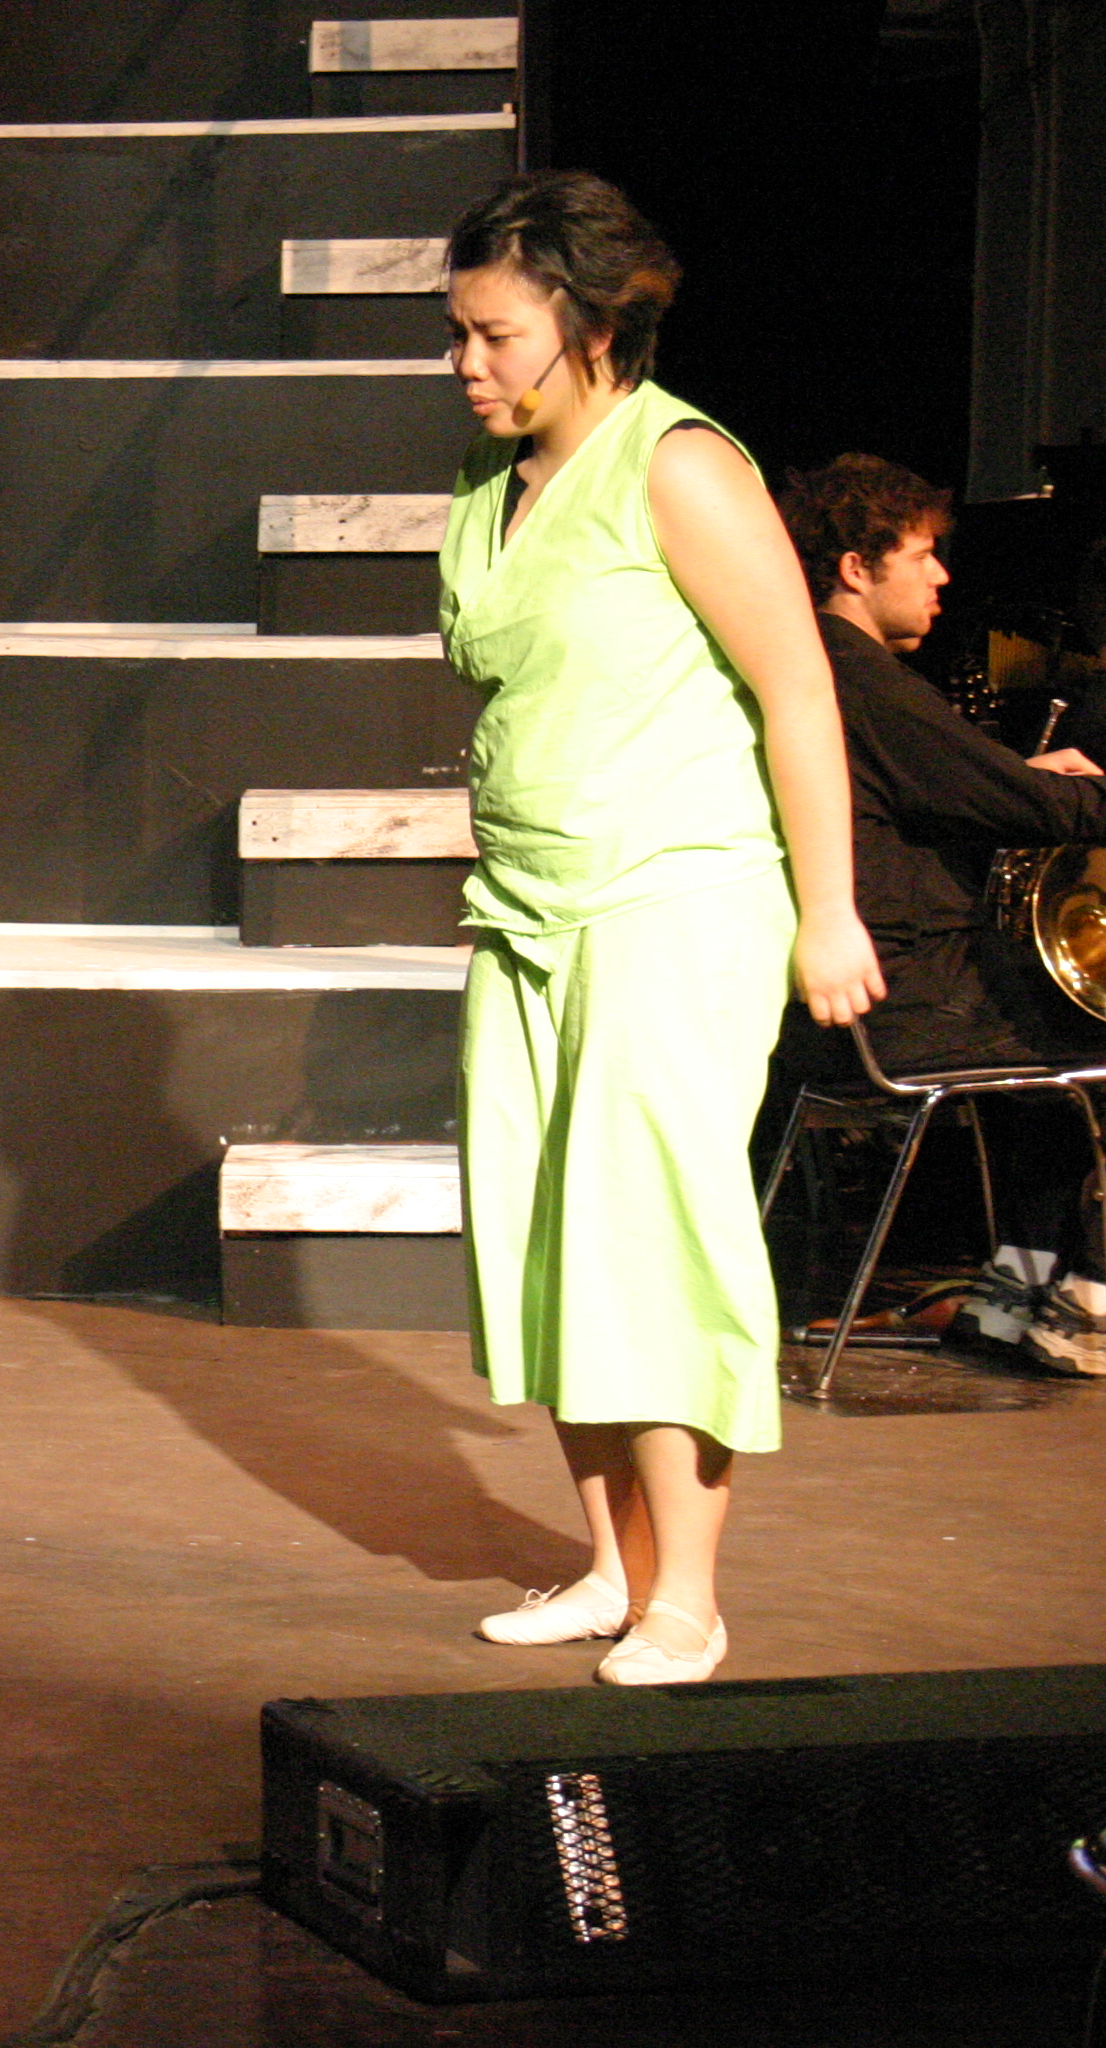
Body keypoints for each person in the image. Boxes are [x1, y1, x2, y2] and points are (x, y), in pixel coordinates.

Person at [438, 172, 881, 1685]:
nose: (468, 362)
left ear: (588, 324)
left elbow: (798, 689)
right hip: (526, 906)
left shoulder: (678, 464)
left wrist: (827, 908)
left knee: (654, 1236)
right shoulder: (491, 483)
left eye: (496, 334)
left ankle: (688, 1594)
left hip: (674, 892)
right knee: (544, 1234)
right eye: (458, 333)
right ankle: (613, 1569)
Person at [774, 453, 1106, 1373]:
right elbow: (1022, 804)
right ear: (857, 568)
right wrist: (1069, 795)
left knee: (1044, 1059)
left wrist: (1018, 779)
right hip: (898, 1003)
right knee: (1077, 1035)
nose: (942, 577)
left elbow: (946, 784)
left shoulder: (814, 667)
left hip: (845, 1009)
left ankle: (1012, 1300)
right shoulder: (859, 676)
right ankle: (1088, 1298)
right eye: (922, 555)